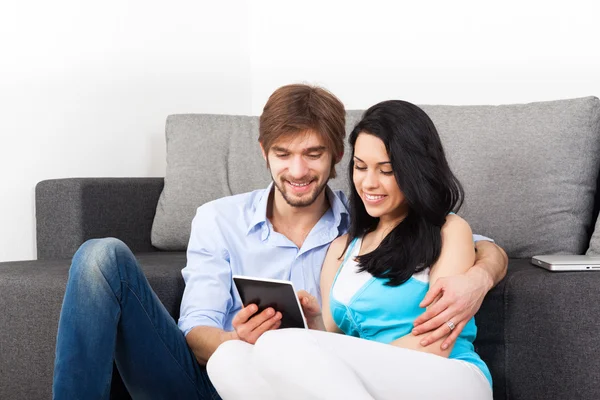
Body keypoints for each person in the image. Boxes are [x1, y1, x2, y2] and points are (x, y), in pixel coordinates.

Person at [52, 85, 507, 399]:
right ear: (263, 152)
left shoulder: (364, 219)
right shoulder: (219, 219)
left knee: (281, 349)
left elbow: (464, 238)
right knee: (99, 257)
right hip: (222, 378)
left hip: (311, 380)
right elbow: (195, 330)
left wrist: (482, 275)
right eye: (283, 154)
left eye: (313, 154)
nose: (297, 170)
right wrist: (236, 339)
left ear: (335, 157)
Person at [206, 100, 496, 400]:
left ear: (415, 171)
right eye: (360, 167)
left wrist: (331, 356)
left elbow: (437, 342)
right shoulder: (341, 248)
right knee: (227, 358)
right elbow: (332, 347)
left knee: (279, 346)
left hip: (446, 374)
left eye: (386, 170)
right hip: (369, 387)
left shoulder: (448, 231)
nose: (369, 182)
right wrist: (314, 322)